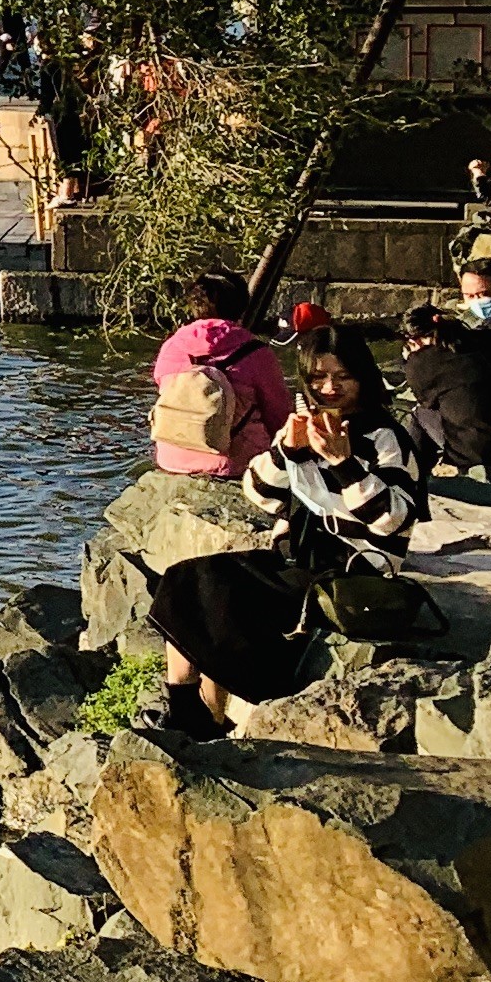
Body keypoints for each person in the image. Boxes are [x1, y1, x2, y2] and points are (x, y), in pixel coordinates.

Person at [145, 335, 419, 736]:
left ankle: (208, 717)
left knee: (224, 595)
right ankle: (187, 709)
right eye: (319, 377)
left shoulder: (386, 438)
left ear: (364, 377)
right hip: (294, 557)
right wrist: (286, 453)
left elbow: (393, 522)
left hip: (352, 567)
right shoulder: (302, 428)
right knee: (187, 576)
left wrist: (345, 465)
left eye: (343, 377)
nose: (330, 388)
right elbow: (259, 494)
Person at [145, 274, 289, 480]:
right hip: (234, 465)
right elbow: (278, 414)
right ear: (241, 305)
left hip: (172, 459)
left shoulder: (171, 346)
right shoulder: (256, 353)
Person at [401, 300, 491, 510]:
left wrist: (410, 360)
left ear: (415, 340)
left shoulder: (424, 361)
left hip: (480, 457)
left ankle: (410, 480)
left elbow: (425, 400)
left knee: (418, 414)